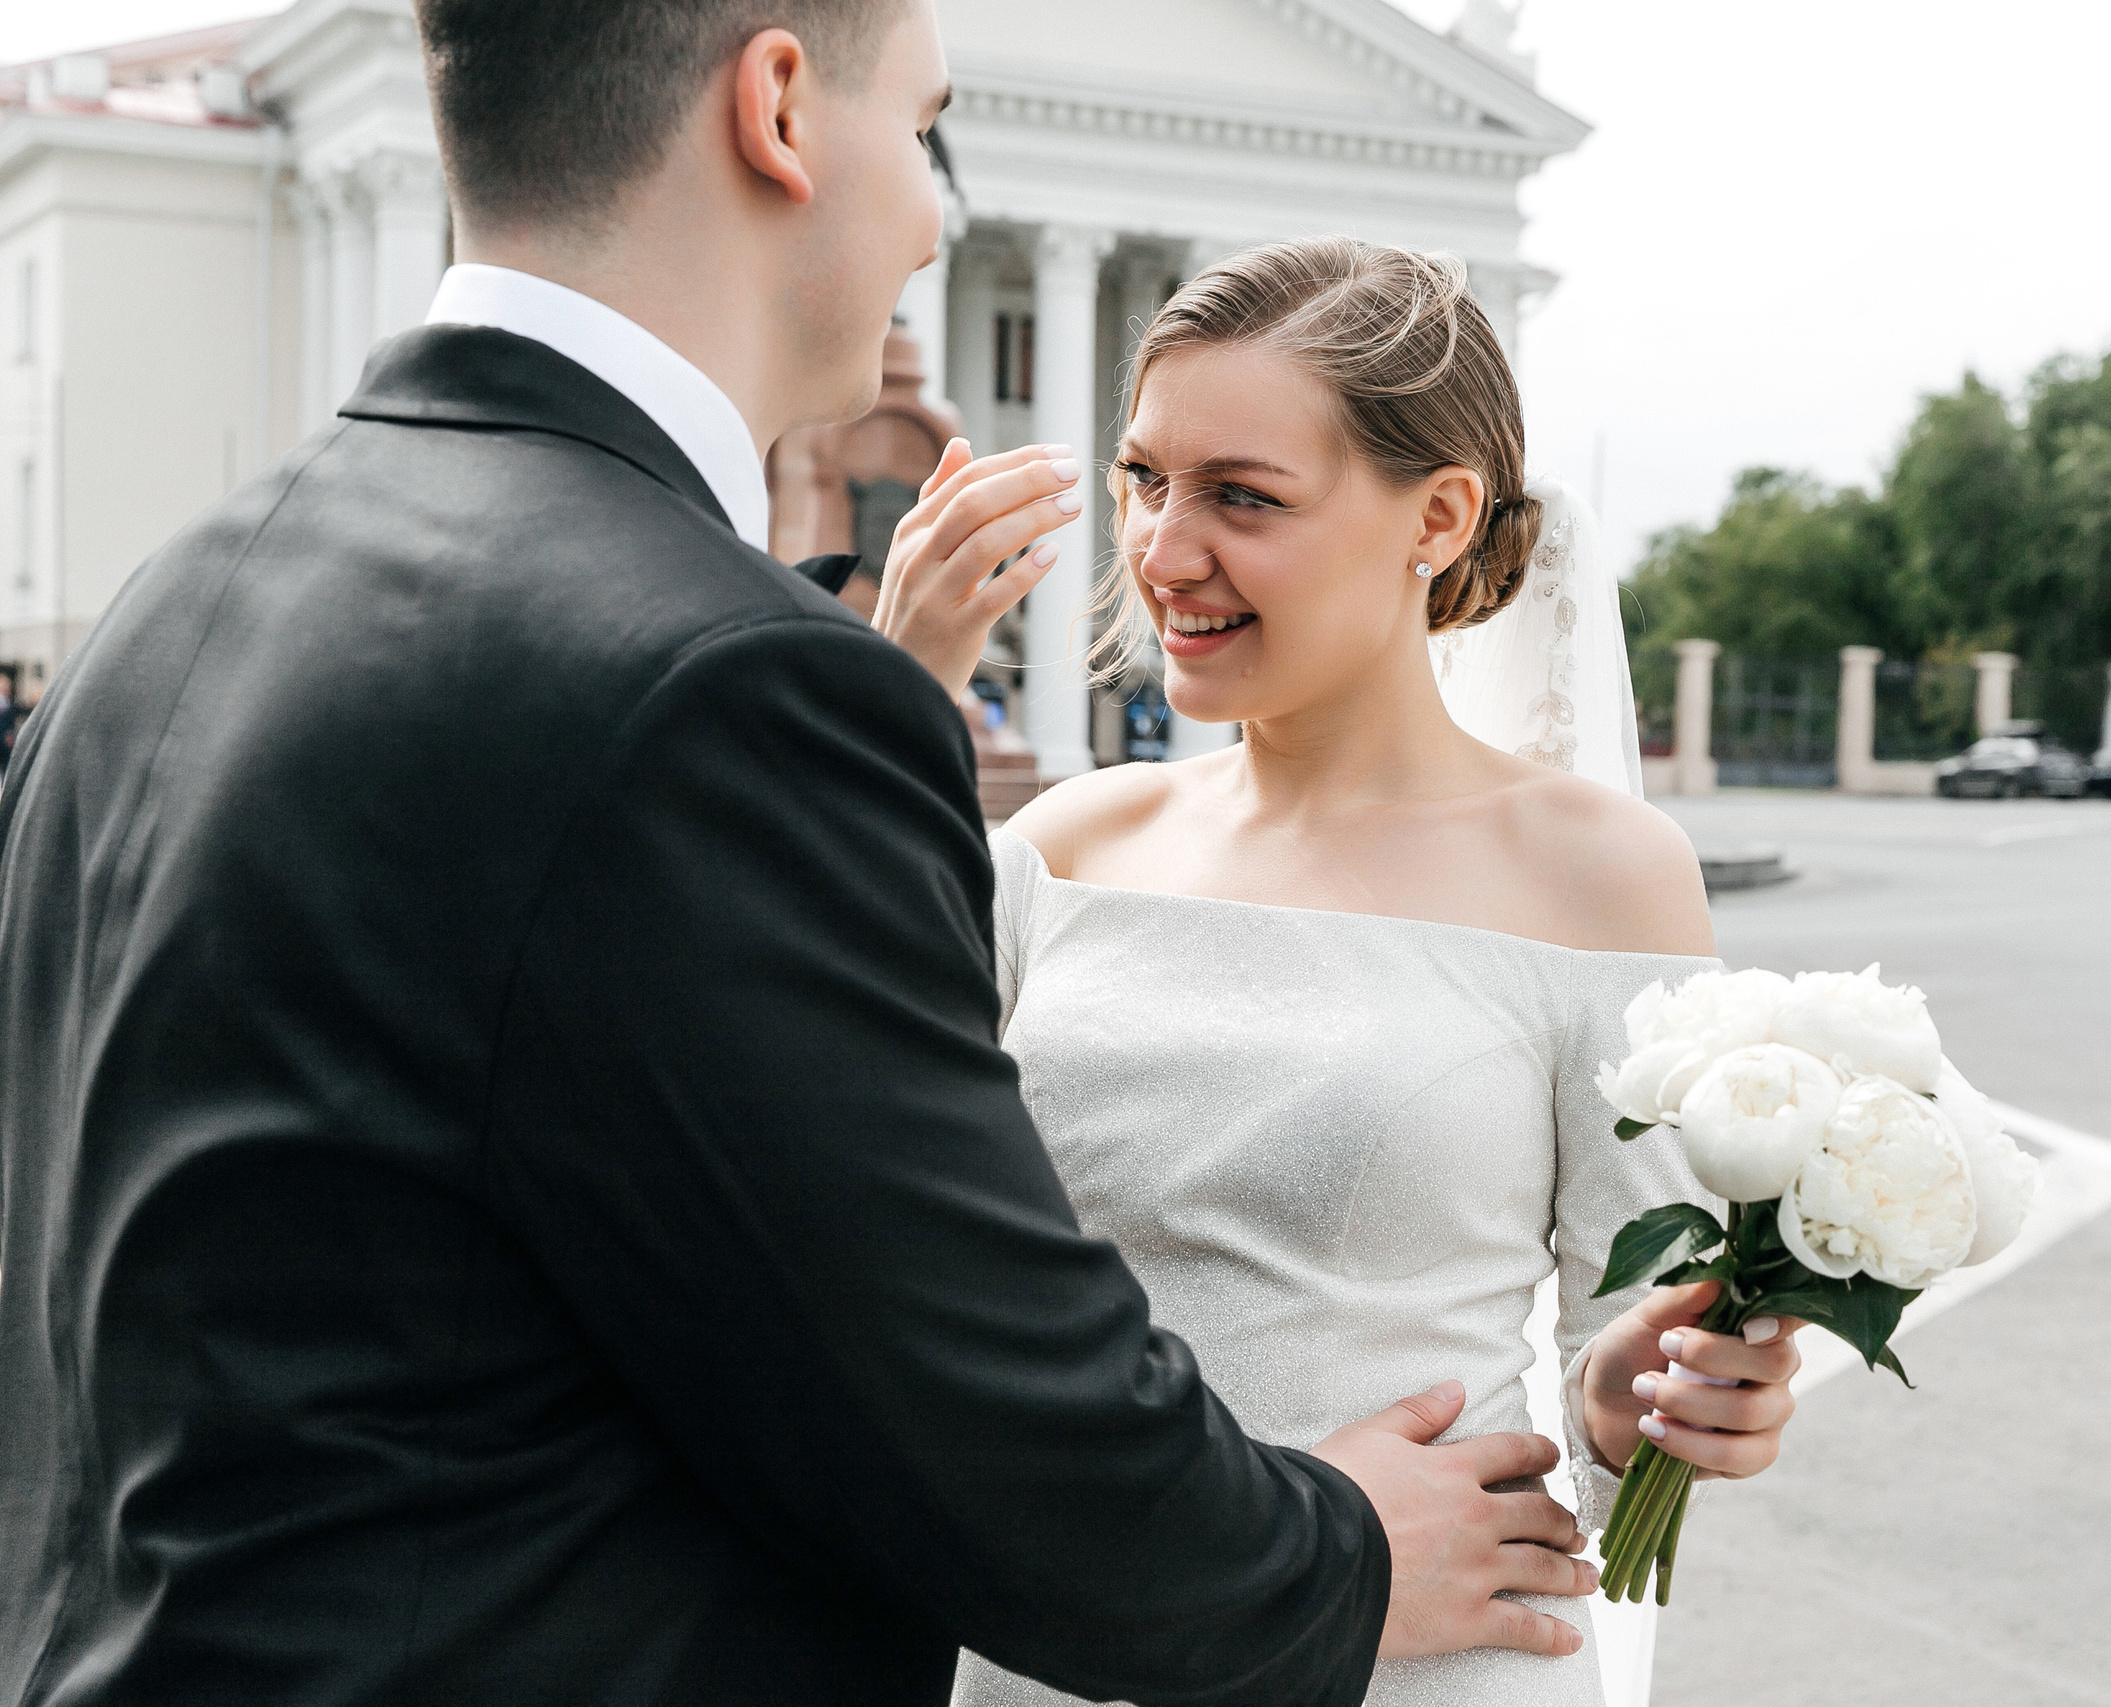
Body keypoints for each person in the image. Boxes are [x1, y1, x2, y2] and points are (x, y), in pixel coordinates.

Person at [0, 7, 1598, 1704]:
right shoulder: (719, 680)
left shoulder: (169, 609)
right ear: (777, 108)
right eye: (925, 131)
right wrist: (1337, 1558)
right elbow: (962, 1404)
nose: (931, 219)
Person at [874, 239, 1805, 1707]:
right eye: (1145, 481)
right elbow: (858, 1211)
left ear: (1436, 515)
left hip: (1421, 1666)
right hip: (1063, 1656)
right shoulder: (1059, 849)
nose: (1165, 551)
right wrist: (884, 717)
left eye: (1244, 497)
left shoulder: (1602, 873)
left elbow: (1626, 1401)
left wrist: (1639, 1415)